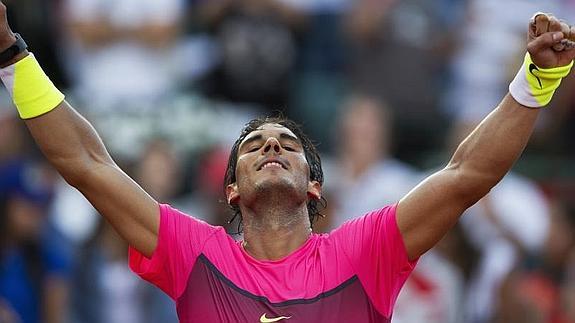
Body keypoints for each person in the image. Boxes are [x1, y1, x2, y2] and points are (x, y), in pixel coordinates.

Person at [0, 0, 574, 320]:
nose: (272, 146)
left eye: (289, 145)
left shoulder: (366, 250)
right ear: (229, 191)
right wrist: (11, 56)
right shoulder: (192, 251)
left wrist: (538, 79)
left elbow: (466, 175)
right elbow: (87, 163)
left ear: (315, 187)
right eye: (253, 146)